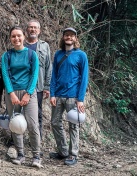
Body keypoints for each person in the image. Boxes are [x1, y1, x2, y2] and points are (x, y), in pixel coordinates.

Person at [1, 26, 42, 168]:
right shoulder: (6, 56)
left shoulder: (32, 55)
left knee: (32, 124)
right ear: (10, 38)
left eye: (19, 36)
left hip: (29, 93)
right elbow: (5, 75)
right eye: (13, 36)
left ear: (24, 37)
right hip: (12, 93)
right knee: (16, 124)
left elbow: (34, 74)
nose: (16, 39)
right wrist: (11, 93)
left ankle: (36, 156)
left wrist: (28, 93)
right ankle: (20, 154)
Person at [49, 27, 88, 165]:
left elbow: (84, 78)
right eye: (66, 35)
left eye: (72, 35)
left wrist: (80, 99)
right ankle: (63, 151)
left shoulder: (81, 55)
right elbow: (54, 76)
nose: (69, 37)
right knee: (54, 123)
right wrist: (52, 93)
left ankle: (73, 154)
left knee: (74, 125)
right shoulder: (58, 54)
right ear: (63, 37)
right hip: (58, 95)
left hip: (73, 97)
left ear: (75, 38)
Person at [24, 19, 52, 141]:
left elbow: (48, 66)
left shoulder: (45, 46)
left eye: (35, 27)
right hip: (23, 85)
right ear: (27, 30)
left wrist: (47, 86)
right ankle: (16, 138)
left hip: (39, 86)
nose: (33, 30)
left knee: (38, 113)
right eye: (30, 27)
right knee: (19, 112)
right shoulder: (21, 45)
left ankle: (37, 139)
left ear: (39, 31)